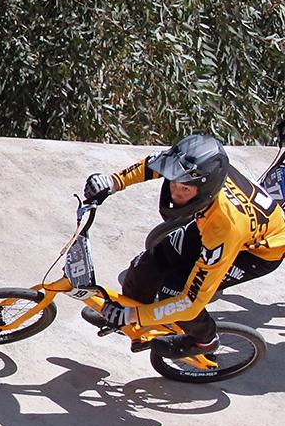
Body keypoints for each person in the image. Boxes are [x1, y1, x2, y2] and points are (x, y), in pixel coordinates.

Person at [82, 134, 285, 355]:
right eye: (174, 184)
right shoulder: (203, 172)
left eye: (185, 190)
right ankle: (131, 318)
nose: (175, 193)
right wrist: (113, 182)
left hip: (257, 253)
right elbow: (155, 164)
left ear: (205, 190)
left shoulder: (225, 228)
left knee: (174, 290)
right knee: (146, 265)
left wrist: (133, 316)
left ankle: (204, 341)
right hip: (217, 220)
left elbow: (190, 303)